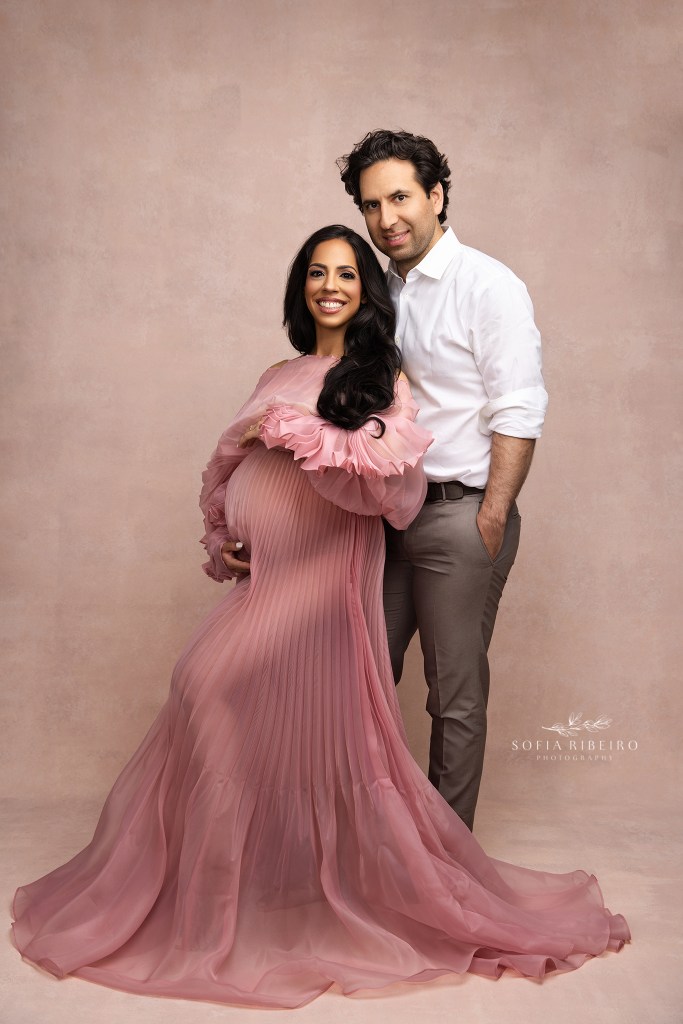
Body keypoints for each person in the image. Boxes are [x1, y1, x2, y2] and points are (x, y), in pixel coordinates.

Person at [12, 226, 627, 1011]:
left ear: (365, 292)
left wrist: (289, 429)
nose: (329, 285)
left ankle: (225, 902)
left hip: (322, 571)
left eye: (344, 274)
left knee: (207, 683)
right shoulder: (279, 371)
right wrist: (225, 529)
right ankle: (230, 889)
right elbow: (230, 459)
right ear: (299, 286)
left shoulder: (379, 377)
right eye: (315, 272)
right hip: (266, 571)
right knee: (216, 704)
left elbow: (388, 479)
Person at [338, 130, 549, 830]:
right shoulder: (379, 292)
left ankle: (445, 860)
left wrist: (491, 514)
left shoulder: (488, 285)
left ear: (435, 195)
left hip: (460, 515)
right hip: (385, 517)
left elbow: (518, 406)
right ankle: (373, 841)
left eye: (400, 198)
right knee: (358, 678)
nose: (386, 218)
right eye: (371, 205)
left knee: (452, 696)